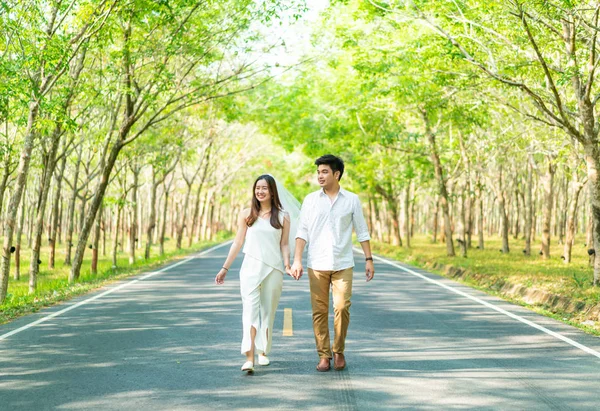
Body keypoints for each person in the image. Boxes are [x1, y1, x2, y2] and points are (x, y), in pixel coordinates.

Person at [290, 154, 375, 372]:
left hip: (343, 263)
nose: (320, 175)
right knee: (319, 311)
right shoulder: (310, 200)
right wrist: (297, 260)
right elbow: (302, 232)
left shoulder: (352, 199)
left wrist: (368, 259)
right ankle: (324, 355)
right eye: (318, 172)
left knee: (342, 307)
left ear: (336, 174)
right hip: (316, 263)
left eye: (325, 171)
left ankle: (339, 350)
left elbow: (362, 231)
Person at [215, 174, 297, 373]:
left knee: (267, 313)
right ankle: (249, 357)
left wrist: (287, 264)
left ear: (272, 192)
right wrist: (225, 267)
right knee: (249, 313)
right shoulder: (246, 214)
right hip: (250, 269)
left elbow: (285, 244)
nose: (260, 191)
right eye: (257, 188)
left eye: (264, 188)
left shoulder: (283, 216)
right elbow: (237, 242)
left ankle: (263, 352)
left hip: (274, 269)